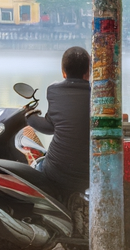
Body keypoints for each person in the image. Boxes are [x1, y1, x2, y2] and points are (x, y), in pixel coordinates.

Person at [30, 46, 91, 202]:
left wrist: (28, 116)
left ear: (64, 72)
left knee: (34, 168)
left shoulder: (54, 91)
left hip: (56, 172)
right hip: (90, 175)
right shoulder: (97, 94)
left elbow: (49, 127)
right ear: (88, 72)